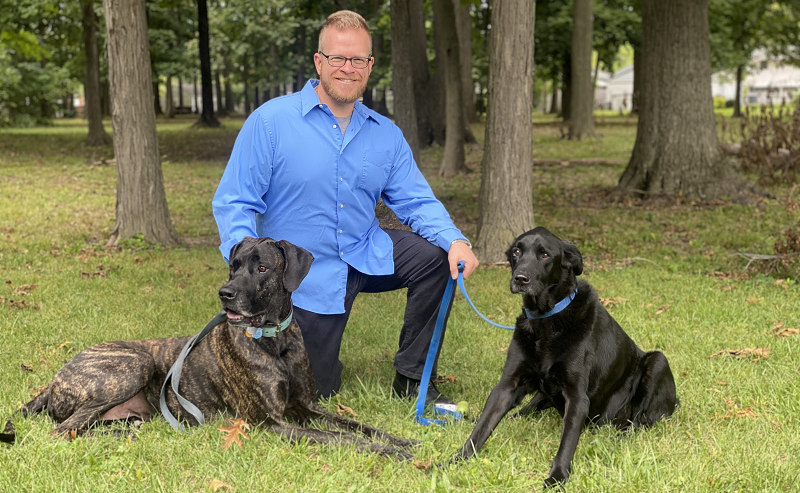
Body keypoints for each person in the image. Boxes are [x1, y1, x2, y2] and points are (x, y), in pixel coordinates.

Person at [212, 10, 478, 405]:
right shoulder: (270, 122)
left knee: (439, 258)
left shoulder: (385, 134)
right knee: (313, 389)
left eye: (358, 60)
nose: (347, 68)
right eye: (338, 58)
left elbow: (416, 200)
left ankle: (412, 378)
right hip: (303, 275)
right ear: (319, 61)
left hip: (363, 249)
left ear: (370, 66)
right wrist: (251, 269)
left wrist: (454, 240)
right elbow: (235, 201)